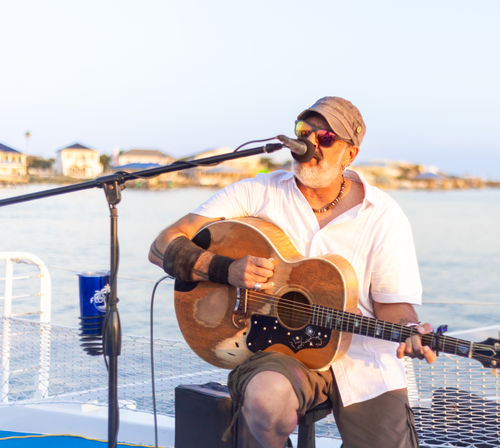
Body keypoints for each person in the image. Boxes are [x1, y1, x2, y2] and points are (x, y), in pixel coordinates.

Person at [149, 96, 436, 448]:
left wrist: (409, 331)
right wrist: (227, 269)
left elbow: (394, 308)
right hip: (278, 351)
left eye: (326, 138)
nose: (311, 144)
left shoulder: (383, 215)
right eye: (304, 132)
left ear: (351, 153)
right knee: (267, 402)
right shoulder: (259, 191)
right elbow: (163, 243)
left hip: (364, 360)